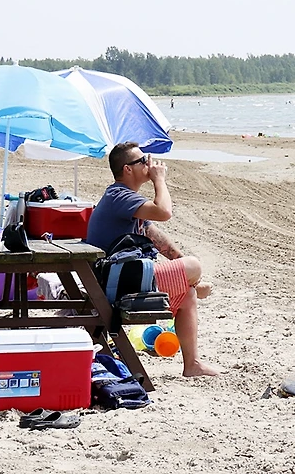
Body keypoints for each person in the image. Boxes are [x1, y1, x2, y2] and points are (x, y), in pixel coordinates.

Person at [86, 142, 218, 377]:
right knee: (194, 264)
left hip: (122, 277)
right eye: (143, 161)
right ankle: (193, 361)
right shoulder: (118, 195)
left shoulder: (127, 201)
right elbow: (164, 212)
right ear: (127, 169)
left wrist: (194, 282)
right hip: (115, 283)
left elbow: (159, 240)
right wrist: (160, 180)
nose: (149, 164)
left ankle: (193, 365)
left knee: (187, 294)